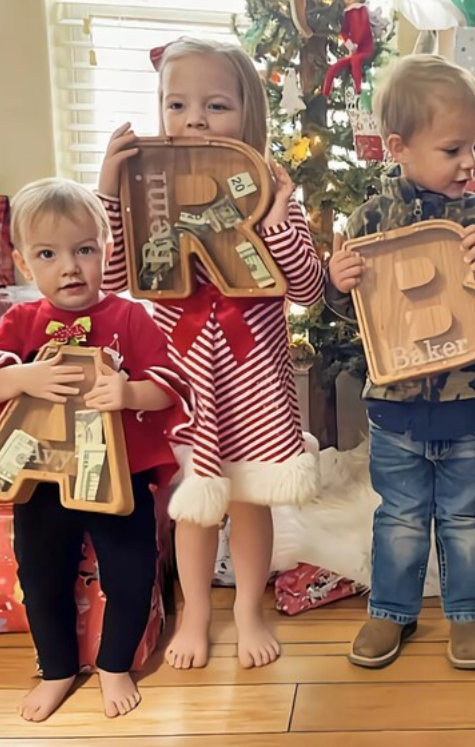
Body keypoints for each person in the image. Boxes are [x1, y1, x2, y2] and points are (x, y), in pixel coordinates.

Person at [98, 37, 324, 671]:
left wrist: (278, 219)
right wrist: (111, 191)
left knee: (251, 499)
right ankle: (196, 611)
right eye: (177, 103)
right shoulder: (151, 192)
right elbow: (117, 276)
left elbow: (306, 288)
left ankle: (249, 606)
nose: (193, 119)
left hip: (254, 375)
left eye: (216, 105)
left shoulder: (273, 190)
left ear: (249, 117)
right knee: (195, 504)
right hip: (185, 373)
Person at [326, 53, 475, 670]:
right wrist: (336, 286)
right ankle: (391, 613)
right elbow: (359, 324)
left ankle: (469, 616)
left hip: (469, 405)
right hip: (394, 409)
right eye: (453, 149)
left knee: (465, 520)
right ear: (399, 147)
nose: (470, 162)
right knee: (398, 517)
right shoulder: (368, 220)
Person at [0, 179, 193, 720]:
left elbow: (171, 384)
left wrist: (129, 391)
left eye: (84, 250)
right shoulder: (18, 323)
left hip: (118, 474)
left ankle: (114, 664)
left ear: (106, 251)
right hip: (42, 479)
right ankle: (58, 667)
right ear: (22, 262)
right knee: (39, 575)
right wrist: (24, 378)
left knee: (131, 569)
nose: (70, 267)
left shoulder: (130, 317)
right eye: (48, 254)